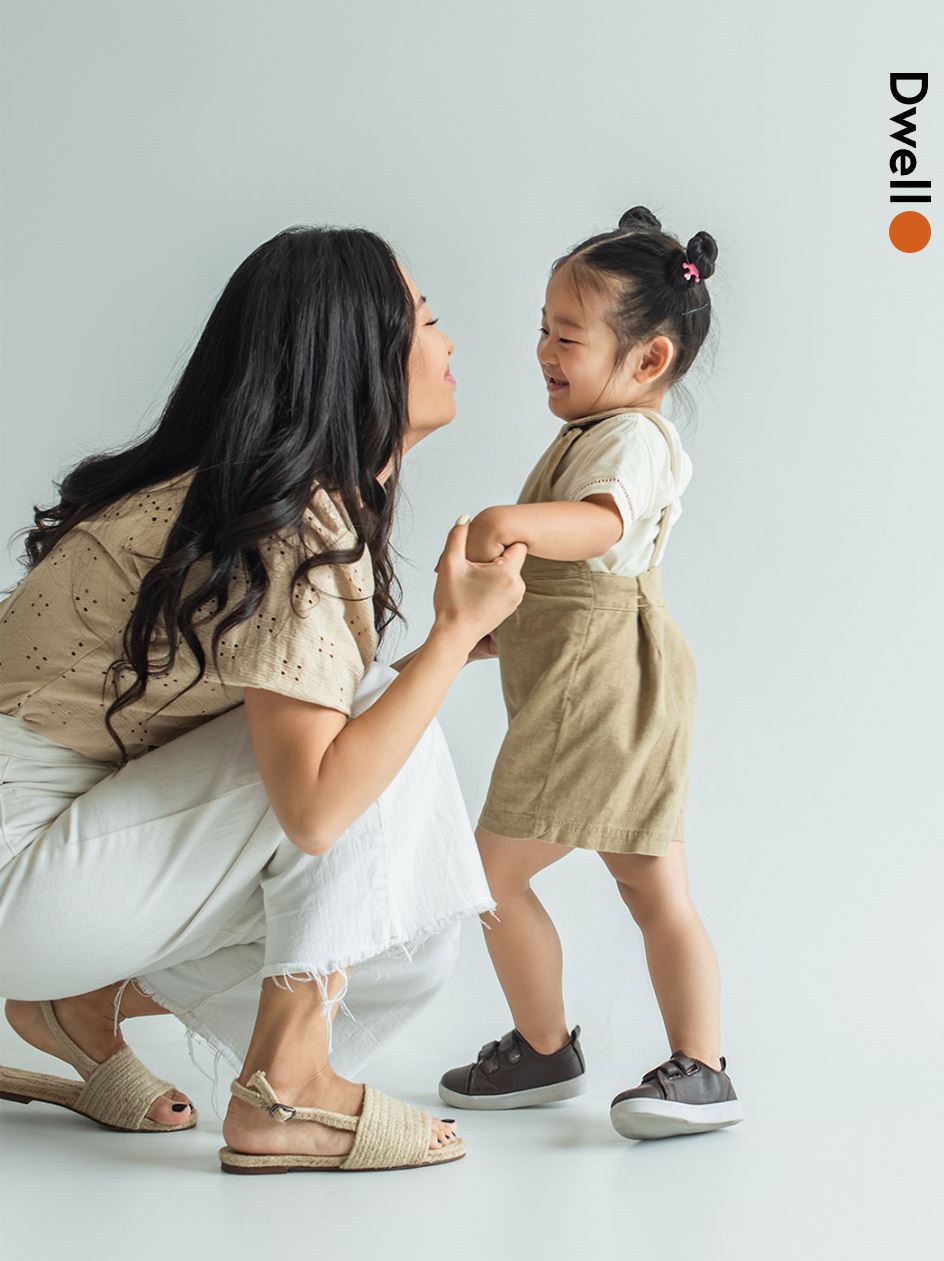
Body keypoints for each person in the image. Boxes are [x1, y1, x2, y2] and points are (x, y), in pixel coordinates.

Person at [0, 225, 526, 1174]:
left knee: (403, 905)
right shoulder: (292, 524)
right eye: (426, 320)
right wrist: (449, 639)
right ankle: (287, 1086)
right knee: (374, 755)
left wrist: (442, 656)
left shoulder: (253, 500)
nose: (449, 343)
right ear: (357, 356)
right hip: (19, 864)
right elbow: (317, 809)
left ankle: (80, 1000)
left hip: (45, 857)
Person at [437, 207, 744, 1139]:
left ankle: (546, 1047)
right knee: (651, 885)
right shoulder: (596, 429)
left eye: (567, 337)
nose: (544, 351)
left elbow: (602, 528)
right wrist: (503, 629)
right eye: (542, 328)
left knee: (488, 872)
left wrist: (508, 524)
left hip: (602, 690)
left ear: (648, 360)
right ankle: (699, 1065)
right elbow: (585, 580)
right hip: (610, 681)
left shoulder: (631, 442)